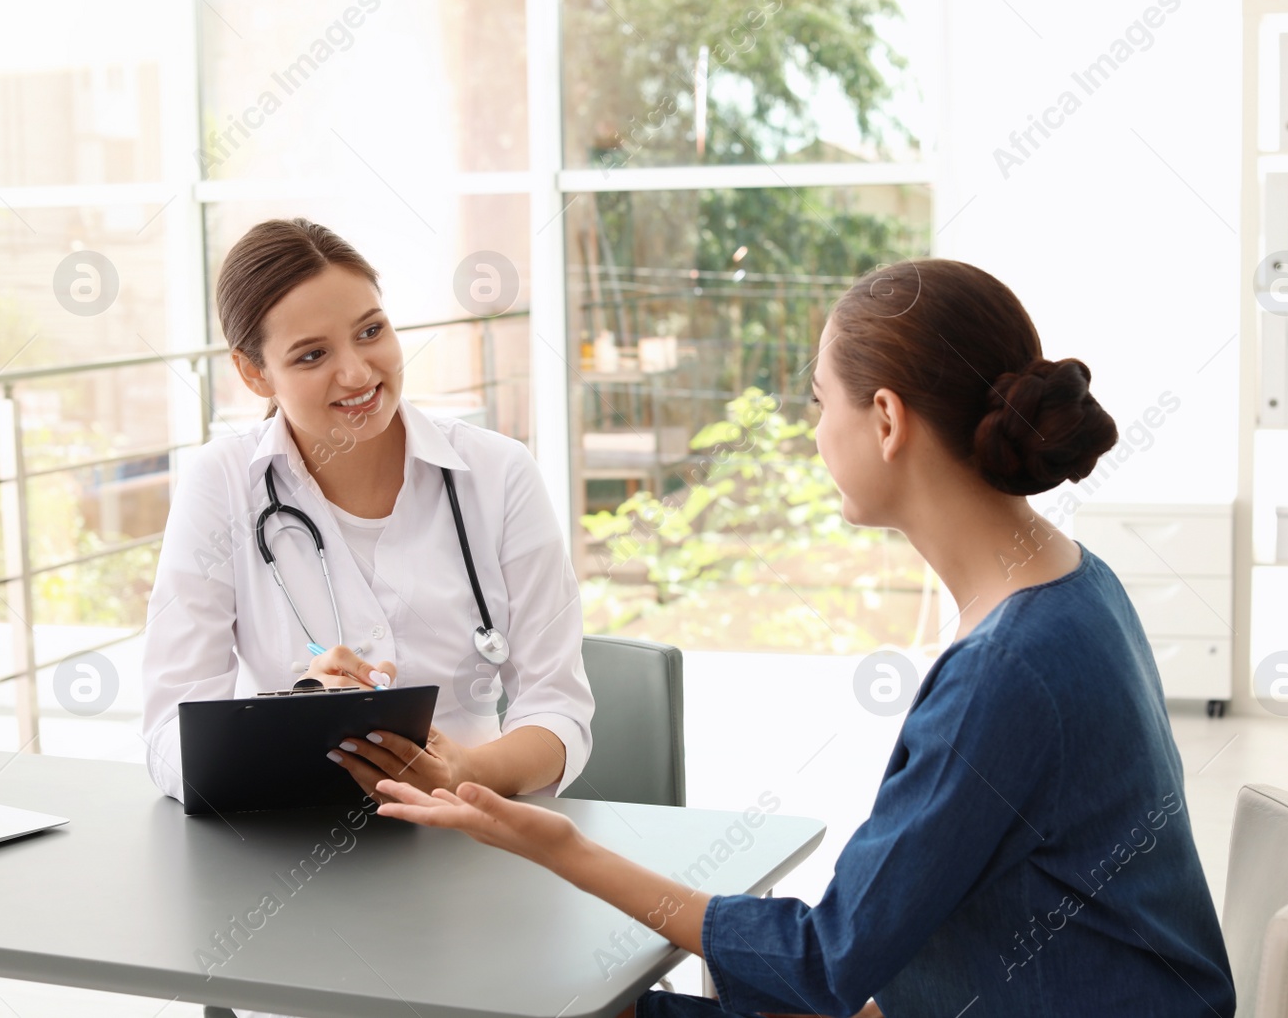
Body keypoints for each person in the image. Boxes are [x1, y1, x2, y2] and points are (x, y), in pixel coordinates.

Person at [371, 258, 1237, 1017]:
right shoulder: (1074, 584)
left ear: (887, 420)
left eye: (821, 402)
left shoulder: (1006, 670)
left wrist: (554, 842)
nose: (815, 429)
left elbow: (827, 959)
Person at [142, 217, 594, 815]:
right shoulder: (221, 485)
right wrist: (295, 717)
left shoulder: (499, 473)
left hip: (468, 832)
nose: (357, 373)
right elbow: (170, 731)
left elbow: (558, 710)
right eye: (311, 355)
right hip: (286, 844)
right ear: (255, 373)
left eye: (371, 331)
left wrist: (462, 770)